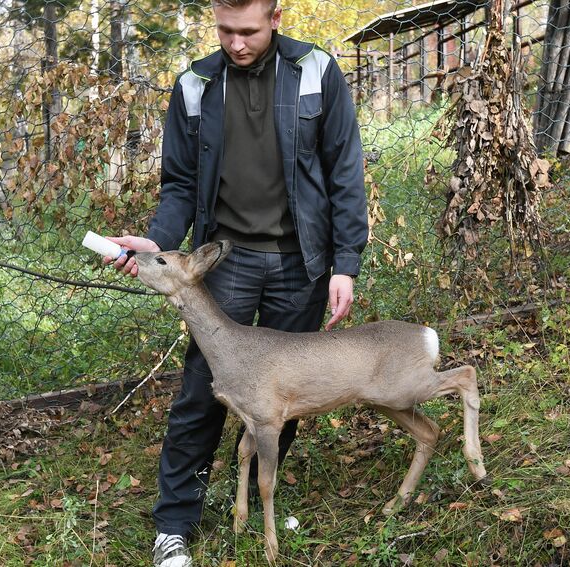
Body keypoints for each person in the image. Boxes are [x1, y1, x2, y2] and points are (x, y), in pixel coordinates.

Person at [107, 0, 367, 564]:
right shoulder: (196, 84)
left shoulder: (316, 71)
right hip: (224, 264)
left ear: (276, 19)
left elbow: (344, 168)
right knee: (203, 392)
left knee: (283, 398)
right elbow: (178, 181)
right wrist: (159, 241)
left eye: (248, 31)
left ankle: (254, 499)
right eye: (225, 30)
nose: (236, 43)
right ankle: (174, 524)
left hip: (302, 262)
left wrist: (345, 262)